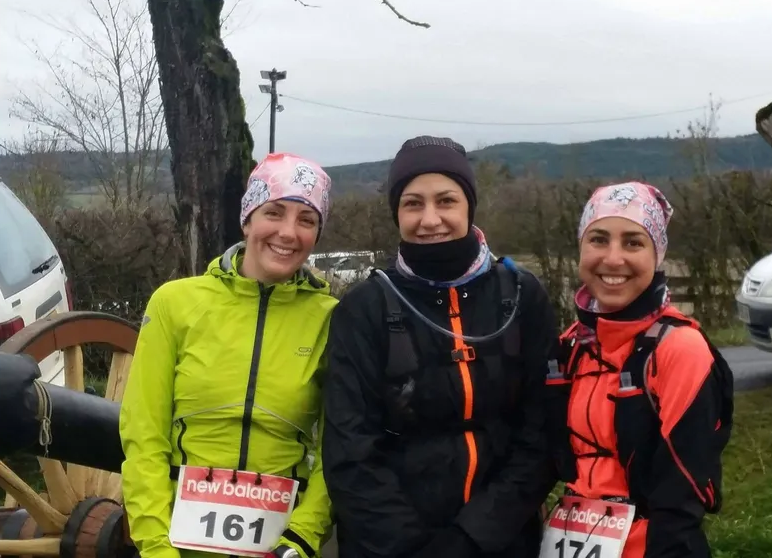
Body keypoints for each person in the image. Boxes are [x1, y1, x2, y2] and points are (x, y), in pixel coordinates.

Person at [321, 135, 560, 558]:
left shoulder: (521, 295)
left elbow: (540, 434)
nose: (430, 219)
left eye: (446, 200)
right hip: (389, 548)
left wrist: (471, 537)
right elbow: (350, 450)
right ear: (397, 212)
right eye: (413, 203)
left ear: (469, 205)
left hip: (501, 541)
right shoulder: (363, 309)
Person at [119, 153, 338, 558]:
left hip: (282, 544)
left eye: (306, 220)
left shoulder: (332, 320)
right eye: (274, 212)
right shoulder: (174, 304)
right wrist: (154, 544)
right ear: (247, 219)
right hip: (173, 543)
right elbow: (143, 434)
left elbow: (339, 444)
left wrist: (304, 537)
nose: (288, 233)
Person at [542, 182, 735, 558]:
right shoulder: (569, 345)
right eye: (598, 239)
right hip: (573, 535)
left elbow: (682, 491)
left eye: (633, 242)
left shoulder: (680, 348)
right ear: (581, 248)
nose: (613, 259)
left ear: (657, 254)